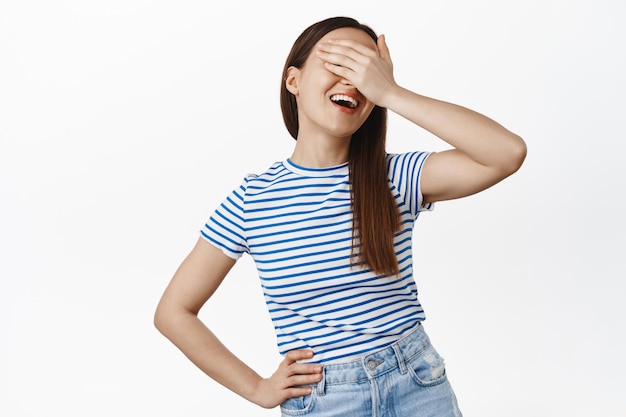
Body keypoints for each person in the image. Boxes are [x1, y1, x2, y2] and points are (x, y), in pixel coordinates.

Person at [154, 16, 526, 417]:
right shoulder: (252, 201)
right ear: (293, 80)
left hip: (418, 385)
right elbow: (174, 312)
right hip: (326, 401)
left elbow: (507, 153)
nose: (353, 79)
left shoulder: (393, 177)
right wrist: (256, 388)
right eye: (339, 62)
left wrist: (392, 93)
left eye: (365, 70)